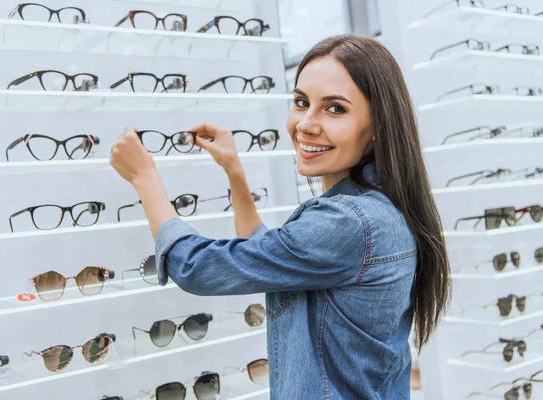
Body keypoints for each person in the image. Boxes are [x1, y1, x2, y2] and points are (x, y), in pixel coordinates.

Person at [110, 35, 450, 399]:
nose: (305, 124)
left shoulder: (348, 222)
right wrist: (234, 171)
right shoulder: (378, 208)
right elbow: (269, 255)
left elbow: (195, 266)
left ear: (377, 128)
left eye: (335, 109)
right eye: (301, 102)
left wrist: (143, 178)